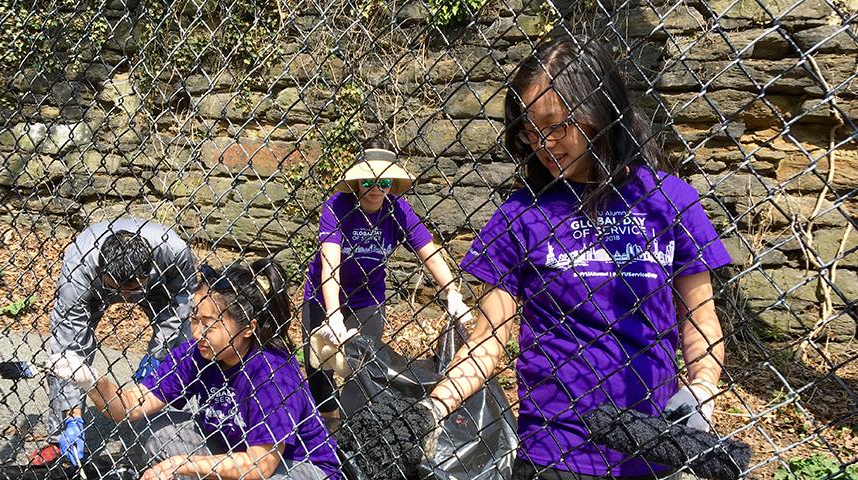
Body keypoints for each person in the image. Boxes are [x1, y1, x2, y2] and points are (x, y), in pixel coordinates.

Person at [420, 36, 733, 479]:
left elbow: (700, 318)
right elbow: (488, 340)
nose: (543, 144)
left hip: (652, 442)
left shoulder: (669, 200)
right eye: (530, 131)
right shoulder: (521, 214)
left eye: (556, 126)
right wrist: (432, 409)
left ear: (600, 111)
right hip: (554, 449)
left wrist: (701, 390)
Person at [48, 258, 341, 480]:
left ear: (248, 328)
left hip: (298, 466)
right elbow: (132, 407)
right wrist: (91, 382)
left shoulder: (272, 373)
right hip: (233, 447)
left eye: (210, 323)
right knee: (161, 433)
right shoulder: (198, 352)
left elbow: (260, 465)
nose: (197, 332)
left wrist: (185, 464)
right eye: (194, 319)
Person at [303, 144, 471, 425]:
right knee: (319, 369)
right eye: (368, 181)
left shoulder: (398, 210)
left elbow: (430, 254)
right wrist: (333, 314)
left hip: (367, 298)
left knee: (363, 368)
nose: (376, 189)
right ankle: (328, 426)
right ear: (358, 181)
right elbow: (330, 262)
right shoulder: (338, 206)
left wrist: (452, 292)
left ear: (392, 184)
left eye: (384, 182)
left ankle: (353, 431)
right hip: (323, 296)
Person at [30, 218, 198, 466]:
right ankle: (61, 436)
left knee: (182, 342)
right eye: (117, 289)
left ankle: (172, 433)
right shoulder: (79, 265)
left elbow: (182, 305)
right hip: (96, 288)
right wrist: (72, 414)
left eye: (132, 289)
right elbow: (69, 343)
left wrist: (159, 354)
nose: (125, 298)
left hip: (158, 288)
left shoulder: (174, 251)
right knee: (65, 361)